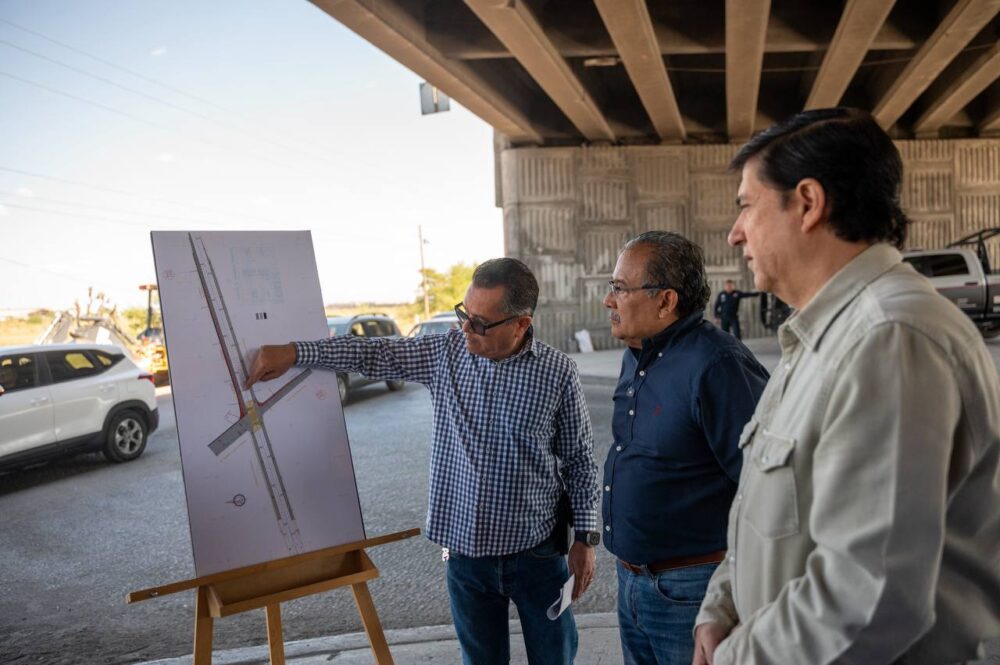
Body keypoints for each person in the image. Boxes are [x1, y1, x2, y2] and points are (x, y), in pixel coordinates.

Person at [693, 108, 1000, 665]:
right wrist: (721, 607)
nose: (736, 232)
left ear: (808, 203)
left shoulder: (889, 338)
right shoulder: (818, 336)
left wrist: (737, 658)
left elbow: (869, 595)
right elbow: (768, 518)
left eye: (746, 206)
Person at [246, 258, 600, 665]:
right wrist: (294, 352)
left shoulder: (558, 373)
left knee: (555, 658)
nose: (466, 329)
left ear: (521, 325)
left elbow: (579, 460)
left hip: (538, 555)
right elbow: (372, 353)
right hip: (467, 558)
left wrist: (585, 538)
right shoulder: (445, 352)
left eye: (482, 323)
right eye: (465, 314)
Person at [601, 231, 769, 664]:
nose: (609, 300)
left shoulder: (718, 365)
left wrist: (732, 599)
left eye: (620, 288)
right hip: (632, 584)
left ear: (665, 301)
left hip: (692, 592)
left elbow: (766, 488)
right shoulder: (635, 355)